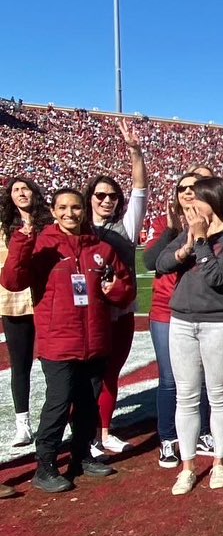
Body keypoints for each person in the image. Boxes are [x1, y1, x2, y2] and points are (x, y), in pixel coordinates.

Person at [1, 188, 136, 493]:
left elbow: (126, 291)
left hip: (95, 340)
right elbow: (12, 281)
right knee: (59, 403)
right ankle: (45, 465)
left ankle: (81, 456)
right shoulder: (43, 245)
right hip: (59, 341)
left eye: (75, 207)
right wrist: (22, 240)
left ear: (83, 211)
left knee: (88, 403)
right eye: (63, 207)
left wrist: (113, 289)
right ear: (54, 210)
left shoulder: (100, 248)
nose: (70, 213)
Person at [156, 177, 223, 495]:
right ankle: (187, 467)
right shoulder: (190, 233)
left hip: (219, 323)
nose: (189, 205)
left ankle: (219, 463)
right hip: (182, 321)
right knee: (186, 397)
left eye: (195, 199)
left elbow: (217, 276)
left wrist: (200, 242)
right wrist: (187, 245)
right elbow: (160, 263)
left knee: (218, 395)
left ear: (213, 201)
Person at [143, 170, 217, 468]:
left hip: (198, 309)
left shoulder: (213, 223)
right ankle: (168, 439)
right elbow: (150, 263)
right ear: (175, 194)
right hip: (166, 310)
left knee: (199, 378)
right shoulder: (165, 224)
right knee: (171, 379)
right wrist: (170, 232)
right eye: (182, 188)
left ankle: (198, 433)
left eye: (194, 188)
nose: (188, 193)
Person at [85, 117, 148, 457]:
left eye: (112, 196)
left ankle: (103, 432)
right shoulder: (77, 227)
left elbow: (140, 190)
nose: (107, 200)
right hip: (89, 313)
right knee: (86, 377)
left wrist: (135, 152)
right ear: (90, 197)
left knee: (111, 374)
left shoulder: (126, 226)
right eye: (101, 195)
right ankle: (88, 434)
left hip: (121, 311)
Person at [0, 176, 52, 448]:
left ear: (35, 194)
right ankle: (23, 424)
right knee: (19, 366)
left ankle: (57, 417)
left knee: (53, 364)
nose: (21, 193)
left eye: (26, 189)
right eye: (16, 190)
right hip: (13, 303)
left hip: (46, 302)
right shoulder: (2, 227)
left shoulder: (48, 225)